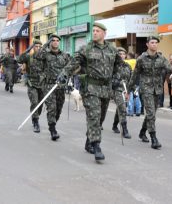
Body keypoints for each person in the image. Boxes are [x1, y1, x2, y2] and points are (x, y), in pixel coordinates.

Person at [60, 22, 122, 161]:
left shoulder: (112, 50)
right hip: (90, 88)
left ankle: (89, 141)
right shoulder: (85, 48)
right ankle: (97, 146)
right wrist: (64, 73)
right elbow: (74, 62)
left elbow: (120, 66)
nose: (94, 33)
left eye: (97, 31)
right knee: (94, 115)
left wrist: (118, 77)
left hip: (106, 89)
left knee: (100, 119)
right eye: (93, 30)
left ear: (104, 33)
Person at [129, 36, 172, 149]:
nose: (154, 44)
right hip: (146, 89)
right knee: (150, 113)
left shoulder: (161, 58)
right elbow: (135, 74)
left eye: (156, 42)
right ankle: (154, 138)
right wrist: (129, 89)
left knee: (152, 114)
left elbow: (167, 66)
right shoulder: (141, 58)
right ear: (147, 44)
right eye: (152, 42)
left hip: (157, 89)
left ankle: (142, 132)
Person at [35, 34, 70, 141]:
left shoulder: (64, 55)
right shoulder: (45, 54)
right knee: (52, 107)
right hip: (49, 85)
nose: (55, 42)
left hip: (60, 86)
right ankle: (53, 130)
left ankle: (53, 122)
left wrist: (67, 77)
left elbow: (70, 67)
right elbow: (37, 56)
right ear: (50, 42)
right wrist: (45, 44)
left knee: (58, 108)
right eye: (53, 40)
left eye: (57, 40)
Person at [18, 39, 45, 133]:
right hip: (32, 84)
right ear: (33, 47)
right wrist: (27, 49)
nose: (38, 48)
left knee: (40, 104)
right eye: (36, 46)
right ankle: (36, 121)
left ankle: (36, 116)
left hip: (42, 85)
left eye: (39, 47)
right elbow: (19, 59)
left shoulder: (44, 58)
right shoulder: (29, 57)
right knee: (34, 102)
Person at [111, 47, 132, 139]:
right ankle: (125, 129)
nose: (122, 56)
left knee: (120, 107)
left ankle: (115, 124)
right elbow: (107, 78)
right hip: (116, 89)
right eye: (120, 54)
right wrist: (113, 82)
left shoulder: (128, 66)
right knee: (122, 108)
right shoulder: (112, 66)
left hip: (125, 90)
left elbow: (131, 79)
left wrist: (132, 89)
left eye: (123, 54)